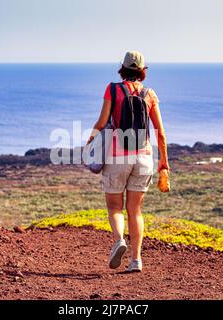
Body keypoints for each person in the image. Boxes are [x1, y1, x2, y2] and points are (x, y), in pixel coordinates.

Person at [87, 51, 169, 272]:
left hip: (117, 157)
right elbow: (160, 132)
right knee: (136, 211)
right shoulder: (150, 94)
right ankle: (136, 261)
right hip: (143, 158)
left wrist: (90, 141)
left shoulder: (113, 89)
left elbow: (102, 121)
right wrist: (164, 162)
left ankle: (119, 241)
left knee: (115, 207)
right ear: (142, 71)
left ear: (122, 68)